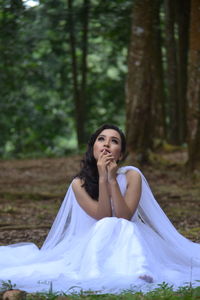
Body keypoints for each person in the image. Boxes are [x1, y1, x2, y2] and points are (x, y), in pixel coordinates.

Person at [0, 124, 200, 294]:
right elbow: (103, 217)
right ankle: (96, 271)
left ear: (120, 154)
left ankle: (140, 271)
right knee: (107, 225)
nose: (106, 144)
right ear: (93, 148)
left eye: (114, 141)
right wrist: (102, 177)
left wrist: (112, 178)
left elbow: (124, 217)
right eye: (101, 139)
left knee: (125, 227)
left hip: (130, 240)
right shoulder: (78, 184)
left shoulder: (132, 175)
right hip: (92, 241)